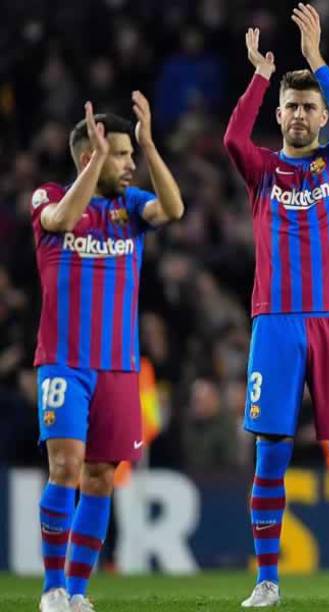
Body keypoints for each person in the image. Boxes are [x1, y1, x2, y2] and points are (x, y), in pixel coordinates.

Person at [222, 5, 329, 607]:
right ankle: (267, 580)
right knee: (270, 453)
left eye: (309, 107)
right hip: (275, 324)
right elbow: (231, 139)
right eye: (291, 107)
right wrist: (260, 76)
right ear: (281, 115)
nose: (300, 115)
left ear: (322, 117)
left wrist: (318, 60)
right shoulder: (263, 171)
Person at [33, 94, 184, 612]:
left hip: (120, 367)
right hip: (65, 362)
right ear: (88, 155)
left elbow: (174, 208)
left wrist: (149, 144)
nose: (127, 165)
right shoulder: (47, 196)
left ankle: (77, 594)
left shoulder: (131, 208)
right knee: (66, 466)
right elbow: (61, 220)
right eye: (119, 155)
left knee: (100, 475)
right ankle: (52, 589)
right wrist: (97, 162)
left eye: (127, 156)